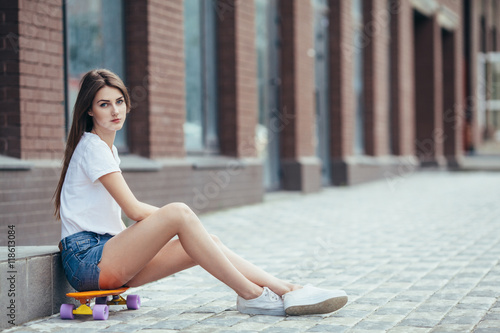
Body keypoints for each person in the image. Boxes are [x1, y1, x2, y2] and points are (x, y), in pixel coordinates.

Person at [54, 69, 348, 316]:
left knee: (208, 241)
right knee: (180, 213)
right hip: (88, 261)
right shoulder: (92, 147)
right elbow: (133, 211)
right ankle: (253, 295)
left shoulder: (106, 148)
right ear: (89, 110)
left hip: (108, 254)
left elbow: (120, 221)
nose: (115, 110)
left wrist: (184, 229)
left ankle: (288, 289)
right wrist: (182, 223)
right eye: (104, 104)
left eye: (119, 101)